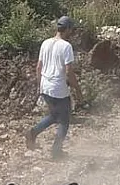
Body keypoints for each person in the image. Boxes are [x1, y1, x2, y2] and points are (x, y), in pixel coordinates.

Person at [25, 15, 82, 160]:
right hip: (58, 89)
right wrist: (78, 90)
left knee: (54, 115)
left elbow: (39, 67)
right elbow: (69, 72)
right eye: (71, 29)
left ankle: (33, 132)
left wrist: (40, 86)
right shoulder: (66, 46)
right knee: (64, 120)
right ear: (68, 29)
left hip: (45, 86)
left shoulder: (45, 43)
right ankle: (56, 152)